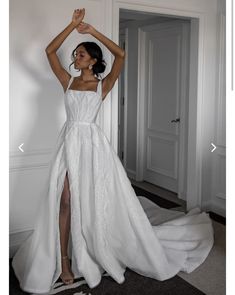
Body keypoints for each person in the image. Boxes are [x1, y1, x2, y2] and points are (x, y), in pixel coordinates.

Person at [12, 8, 214, 294]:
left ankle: (96, 245)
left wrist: (92, 31)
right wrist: (72, 26)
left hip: (93, 146)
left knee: (93, 198)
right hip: (69, 140)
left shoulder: (102, 85)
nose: (76, 56)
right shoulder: (67, 81)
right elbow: (49, 50)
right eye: (76, 53)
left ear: (94, 60)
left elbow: (120, 55)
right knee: (66, 200)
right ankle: (65, 259)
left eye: (82, 53)